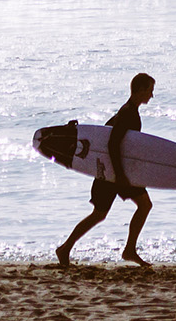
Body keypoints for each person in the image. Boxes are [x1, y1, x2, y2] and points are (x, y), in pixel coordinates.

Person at [56, 73, 155, 267]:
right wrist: (119, 175)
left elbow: (108, 136)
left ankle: (66, 248)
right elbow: (112, 144)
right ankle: (128, 250)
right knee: (142, 206)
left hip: (111, 171)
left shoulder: (126, 111)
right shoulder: (128, 113)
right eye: (150, 90)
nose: (152, 95)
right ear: (141, 89)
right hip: (114, 173)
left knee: (101, 213)